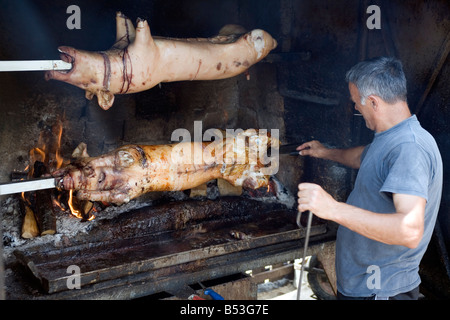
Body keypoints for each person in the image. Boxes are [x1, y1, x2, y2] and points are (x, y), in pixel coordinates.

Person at [296, 57, 443, 300]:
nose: (356, 109)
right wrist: (325, 152)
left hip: (381, 292)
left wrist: (331, 208)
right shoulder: (393, 136)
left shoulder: (409, 148)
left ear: (373, 102)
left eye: (357, 103)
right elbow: (365, 158)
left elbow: (409, 231)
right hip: (365, 287)